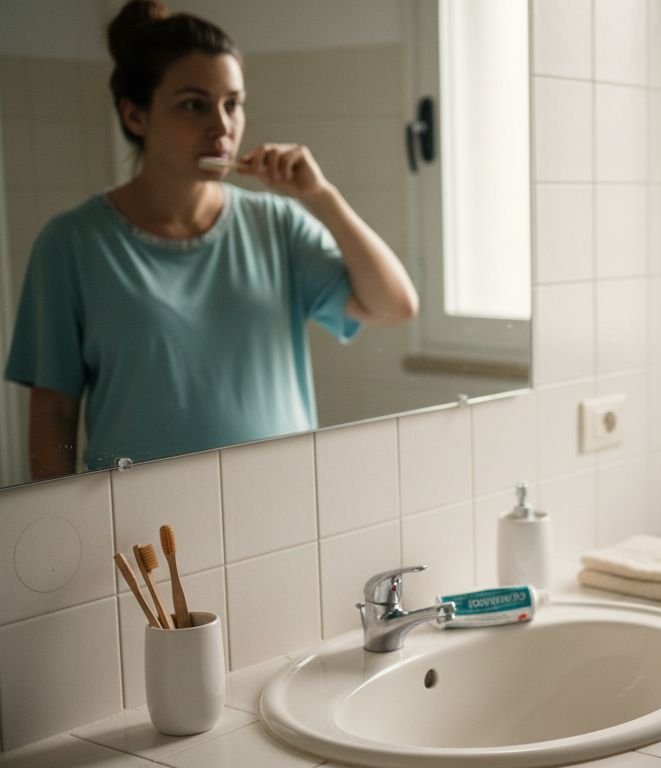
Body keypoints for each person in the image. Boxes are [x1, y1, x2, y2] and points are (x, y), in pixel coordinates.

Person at [4, 0, 418, 480]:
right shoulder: (71, 244)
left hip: (285, 503)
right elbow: (53, 414)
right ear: (135, 116)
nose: (222, 127)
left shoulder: (278, 224)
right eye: (193, 105)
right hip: (145, 536)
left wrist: (322, 198)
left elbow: (394, 306)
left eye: (233, 103)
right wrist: (66, 531)